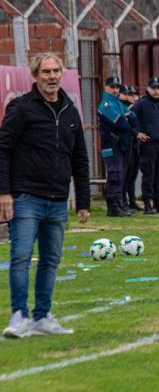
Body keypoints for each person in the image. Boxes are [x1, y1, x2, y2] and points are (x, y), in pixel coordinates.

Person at [0, 52, 91, 338]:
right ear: (35, 76)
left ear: (61, 74)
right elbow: (2, 150)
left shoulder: (70, 110)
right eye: (45, 72)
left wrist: (84, 201)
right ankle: (18, 317)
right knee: (21, 257)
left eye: (55, 71)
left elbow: (80, 158)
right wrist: (4, 193)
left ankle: (42, 316)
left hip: (58, 200)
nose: (51, 77)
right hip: (26, 196)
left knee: (51, 261)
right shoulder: (21, 108)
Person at [130, 77, 159, 214]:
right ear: (148, 88)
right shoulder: (141, 103)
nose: (156, 91)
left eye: (158, 88)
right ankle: (147, 204)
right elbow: (129, 118)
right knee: (148, 174)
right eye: (153, 88)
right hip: (148, 145)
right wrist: (137, 133)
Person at [97, 76, 133, 217]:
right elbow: (121, 123)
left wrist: (128, 121)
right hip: (110, 145)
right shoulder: (106, 104)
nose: (115, 90)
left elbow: (133, 118)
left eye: (117, 87)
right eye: (112, 87)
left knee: (121, 175)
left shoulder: (118, 103)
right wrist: (127, 121)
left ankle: (119, 204)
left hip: (120, 144)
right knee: (114, 175)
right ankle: (112, 206)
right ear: (105, 87)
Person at [122, 85, 143, 211]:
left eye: (135, 95)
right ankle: (123, 200)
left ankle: (132, 200)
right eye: (130, 95)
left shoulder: (136, 109)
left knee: (133, 175)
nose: (133, 97)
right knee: (125, 174)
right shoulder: (124, 109)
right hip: (127, 144)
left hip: (135, 145)